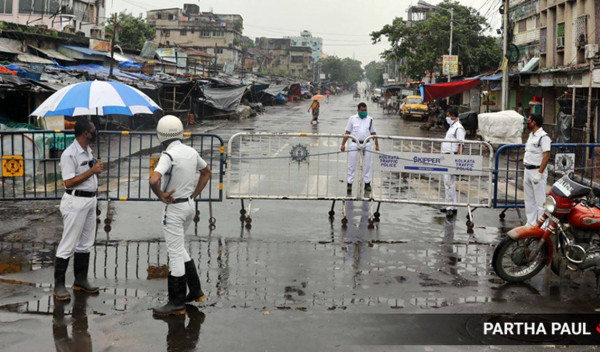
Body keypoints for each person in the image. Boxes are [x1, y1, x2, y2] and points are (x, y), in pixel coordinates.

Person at [149, 115, 211, 316]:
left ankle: (176, 302)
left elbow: (153, 179)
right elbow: (206, 171)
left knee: (174, 252)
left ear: (161, 134)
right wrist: (194, 194)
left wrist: (161, 195)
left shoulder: (168, 155)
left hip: (174, 208)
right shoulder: (191, 151)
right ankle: (195, 290)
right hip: (189, 206)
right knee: (179, 247)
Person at [54, 119, 103, 301]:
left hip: (90, 200)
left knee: (85, 243)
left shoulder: (88, 150)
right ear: (85, 133)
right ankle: (59, 285)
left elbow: (87, 174)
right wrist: (92, 171)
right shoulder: (69, 154)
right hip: (75, 201)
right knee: (68, 244)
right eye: (93, 130)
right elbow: (68, 182)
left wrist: (95, 170)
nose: (96, 132)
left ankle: (80, 280)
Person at [340, 102, 380, 193]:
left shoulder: (370, 119)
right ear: (358, 110)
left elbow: (373, 133)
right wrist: (343, 144)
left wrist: (377, 145)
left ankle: (367, 184)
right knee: (352, 164)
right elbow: (347, 132)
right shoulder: (352, 119)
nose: (364, 112)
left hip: (367, 144)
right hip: (354, 144)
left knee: (367, 165)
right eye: (362, 110)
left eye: (365, 110)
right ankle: (349, 184)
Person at [523, 113, 551, 226]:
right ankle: (531, 223)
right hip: (527, 170)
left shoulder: (544, 137)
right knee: (529, 199)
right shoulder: (531, 135)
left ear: (534, 122)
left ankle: (542, 226)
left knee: (540, 201)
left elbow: (546, 155)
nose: (527, 122)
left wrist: (539, 173)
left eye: (529, 120)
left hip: (537, 171)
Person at [440, 107, 466, 217]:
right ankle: (450, 205)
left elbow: (461, 144)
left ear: (453, 116)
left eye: (448, 115)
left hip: (452, 157)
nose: (447, 118)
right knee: (448, 183)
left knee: (449, 183)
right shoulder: (452, 127)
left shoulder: (459, 128)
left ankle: (450, 207)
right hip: (446, 157)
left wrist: (457, 159)